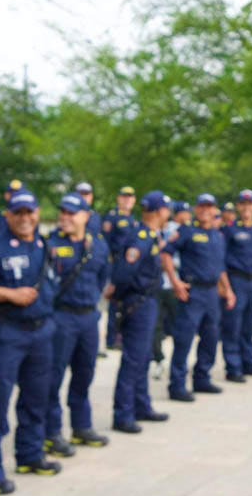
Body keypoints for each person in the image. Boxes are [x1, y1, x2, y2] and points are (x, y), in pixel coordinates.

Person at [0, 190, 62, 494]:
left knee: (37, 398)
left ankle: (30, 455)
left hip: (41, 331)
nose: (24, 218)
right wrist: (10, 294)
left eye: (29, 212)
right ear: (8, 215)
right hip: (8, 332)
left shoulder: (45, 244)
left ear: (36, 213)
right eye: (17, 212)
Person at [44, 193, 111, 457]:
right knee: (54, 376)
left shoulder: (98, 246)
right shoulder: (50, 244)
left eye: (72, 213)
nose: (65, 217)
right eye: (63, 212)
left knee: (85, 373)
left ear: (86, 216)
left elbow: (103, 277)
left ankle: (81, 426)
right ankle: (51, 432)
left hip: (89, 318)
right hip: (62, 317)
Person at [162, 193, 235, 401]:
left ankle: (202, 378)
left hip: (212, 293)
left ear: (215, 211)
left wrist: (228, 289)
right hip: (192, 292)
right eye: (201, 206)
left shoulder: (218, 235)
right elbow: (166, 253)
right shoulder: (186, 231)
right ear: (196, 209)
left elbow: (220, 267)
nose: (205, 210)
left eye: (209, 207)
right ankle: (177, 384)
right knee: (184, 338)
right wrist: (174, 281)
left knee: (211, 337)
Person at [110, 191, 172, 433]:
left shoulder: (151, 235)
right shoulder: (142, 237)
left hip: (148, 300)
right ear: (159, 212)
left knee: (144, 356)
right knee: (134, 358)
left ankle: (141, 405)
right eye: (166, 210)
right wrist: (125, 300)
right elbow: (124, 273)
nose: (169, 214)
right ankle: (123, 414)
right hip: (139, 303)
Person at [220, 189, 252, 381]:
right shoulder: (230, 229)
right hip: (236, 279)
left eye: (251, 204)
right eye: (243, 204)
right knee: (233, 325)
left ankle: (248, 362)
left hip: (251, 281)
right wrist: (224, 286)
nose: (247, 207)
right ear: (239, 207)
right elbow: (220, 259)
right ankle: (233, 367)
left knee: (249, 323)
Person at [151, 200, 190, 378]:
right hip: (157, 285)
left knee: (179, 326)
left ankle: (180, 362)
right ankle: (159, 360)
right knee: (156, 326)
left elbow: (179, 257)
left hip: (175, 284)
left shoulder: (179, 231)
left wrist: (168, 263)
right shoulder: (151, 230)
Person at [101, 186, 138, 350]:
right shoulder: (112, 217)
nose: (127, 199)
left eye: (130, 197)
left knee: (126, 301)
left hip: (129, 266)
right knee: (114, 300)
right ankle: (111, 338)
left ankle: (121, 335)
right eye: (124, 196)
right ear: (119, 198)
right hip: (115, 262)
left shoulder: (134, 220)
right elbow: (105, 244)